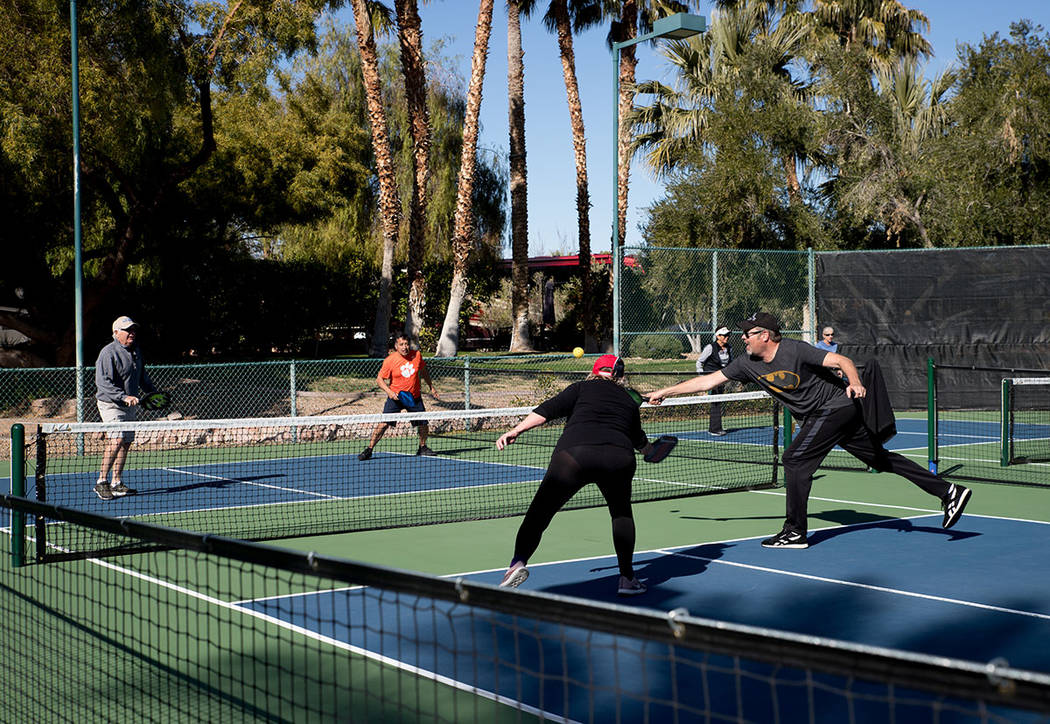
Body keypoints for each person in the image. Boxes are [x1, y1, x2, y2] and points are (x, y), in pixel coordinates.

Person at [648, 312, 972, 549]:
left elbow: (842, 362)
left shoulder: (795, 350)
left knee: (794, 460)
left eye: (748, 333)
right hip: (827, 416)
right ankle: (948, 492)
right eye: (742, 333)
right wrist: (666, 392)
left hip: (835, 408)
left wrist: (856, 382)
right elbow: (707, 381)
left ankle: (794, 531)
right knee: (881, 459)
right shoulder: (746, 364)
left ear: (767, 335)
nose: (742, 337)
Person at [495, 354, 657, 596]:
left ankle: (517, 563)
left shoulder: (580, 388)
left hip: (574, 456)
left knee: (540, 513)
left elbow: (546, 411)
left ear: (594, 371)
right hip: (619, 458)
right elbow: (639, 441)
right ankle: (627, 579)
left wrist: (516, 430)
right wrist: (650, 451)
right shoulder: (628, 399)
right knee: (621, 513)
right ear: (620, 376)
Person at [94, 315, 157, 500]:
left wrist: (152, 392)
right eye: (127, 330)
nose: (132, 333)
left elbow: (141, 376)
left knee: (126, 442)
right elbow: (103, 382)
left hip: (129, 404)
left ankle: (116, 482)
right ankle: (101, 482)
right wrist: (123, 397)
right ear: (116, 333)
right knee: (116, 439)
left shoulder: (136, 351)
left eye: (133, 330)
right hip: (111, 404)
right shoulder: (108, 353)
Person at [358, 333, 440, 460]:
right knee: (384, 424)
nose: (404, 347)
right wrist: (389, 392)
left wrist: (431, 386)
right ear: (396, 346)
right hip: (396, 398)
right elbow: (379, 380)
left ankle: (422, 447)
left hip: (414, 397)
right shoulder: (390, 360)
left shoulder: (417, 355)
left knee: (423, 423)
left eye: (406, 344)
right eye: (401, 344)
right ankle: (369, 449)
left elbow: (423, 371)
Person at [696, 326, 733, 435]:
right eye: (724, 335)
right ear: (718, 336)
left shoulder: (729, 348)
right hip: (711, 378)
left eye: (728, 335)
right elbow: (699, 362)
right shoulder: (710, 347)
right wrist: (702, 377)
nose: (727, 337)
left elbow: (731, 362)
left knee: (718, 401)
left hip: (722, 378)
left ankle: (716, 427)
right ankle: (714, 429)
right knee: (715, 402)